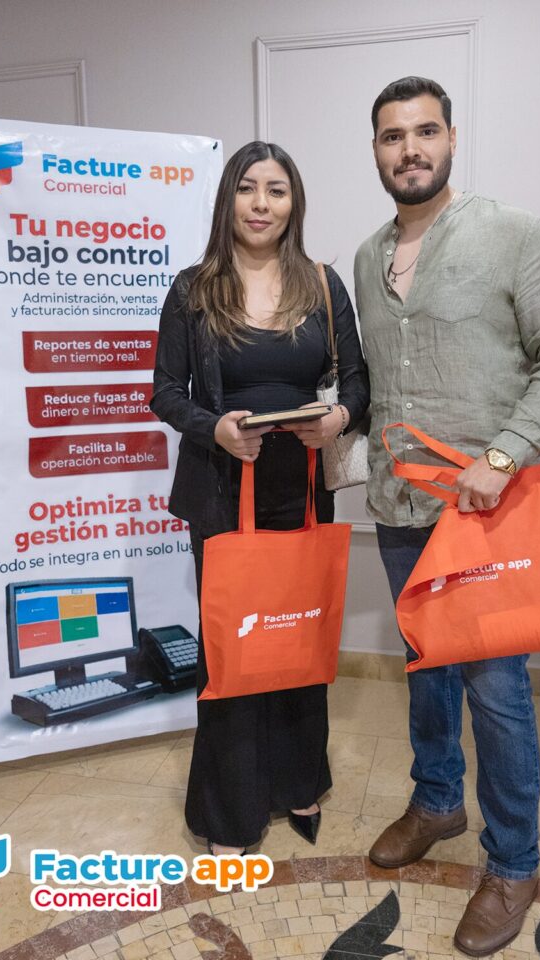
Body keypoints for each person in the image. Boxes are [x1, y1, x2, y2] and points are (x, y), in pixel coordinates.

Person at [354, 77, 540, 956]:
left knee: (496, 689)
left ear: (451, 139)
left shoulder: (514, 235)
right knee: (426, 667)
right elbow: (380, 383)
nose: (409, 149)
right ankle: (437, 802)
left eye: (425, 132)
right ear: (376, 151)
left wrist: (502, 456)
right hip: (400, 507)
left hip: (483, 511)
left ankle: (513, 861)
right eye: (392, 136)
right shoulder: (366, 259)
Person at [151, 140, 369, 855]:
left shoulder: (323, 285)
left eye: (276, 190)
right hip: (221, 492)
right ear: (229, 199)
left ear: (293, 203)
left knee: (300, 633)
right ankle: (231, 811)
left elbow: (358, 383)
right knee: (234, 646)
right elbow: (166, 393)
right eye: (248, 188)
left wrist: (337, 418)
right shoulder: (192, 289)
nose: (261, 204)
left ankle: (298, 782)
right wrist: (214, 428)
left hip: (300, 490)